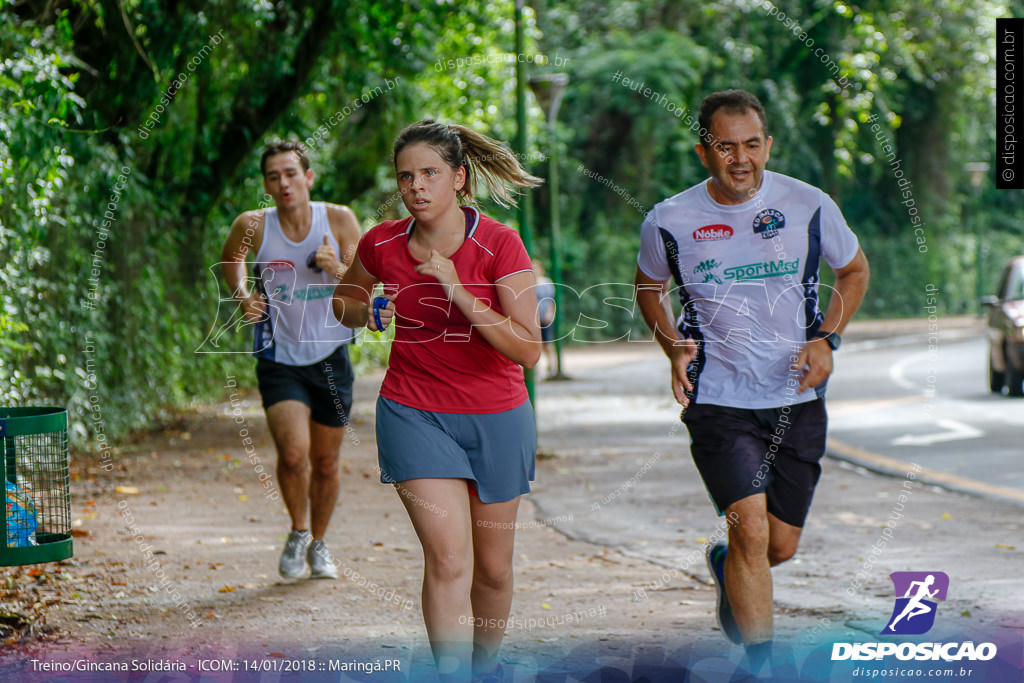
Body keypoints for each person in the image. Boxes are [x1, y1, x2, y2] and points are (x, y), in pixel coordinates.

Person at [634, 90, 869, 670]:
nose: (740, 158)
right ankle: (759, 666)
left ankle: (725, 566)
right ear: (703, 151)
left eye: (751, 144)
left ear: (768, 145)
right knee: (752, 530)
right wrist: (672, 346)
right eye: (725, 146)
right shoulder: (669, 218)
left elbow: (854, 270)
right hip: (718, 397)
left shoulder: (809, 204)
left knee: (777, 545)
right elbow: (647, 285)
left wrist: (826, 337)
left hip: (796, 397)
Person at [332, 120, 542, 683]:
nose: (417, 187)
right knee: (448, 558)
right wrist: (365, 309)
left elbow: (528, 350)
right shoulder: (381, 242)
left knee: (493, 571)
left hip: (498, 416)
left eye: (429, 173)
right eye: (406, 176)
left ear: (459, 178)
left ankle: (485, 668)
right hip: (413, 411)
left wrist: (455, 287)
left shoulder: (499, 243)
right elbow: (344, 301)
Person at [221, 140, 361, 580]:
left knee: (325, 463)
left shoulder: (337, 219)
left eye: (291, 174)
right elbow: (232, 259)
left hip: (332, 356)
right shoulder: (254, 224)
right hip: (279, 356)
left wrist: (335, 267)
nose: (283, 183)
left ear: (308, 177)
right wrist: (244, 295)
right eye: (273, 177)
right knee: (294, 454)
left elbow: (364, 285)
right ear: (265, 184)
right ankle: (298, 530)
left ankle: (319, 543)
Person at [532, 259, 557, 377]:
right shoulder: (529, 283)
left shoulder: (546, 283)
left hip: (544, 317)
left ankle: (552, 366)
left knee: (547, 342)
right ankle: (536, 367)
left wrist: (550, 313)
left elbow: (550, 300)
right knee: (534, 343)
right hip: (533, 318)